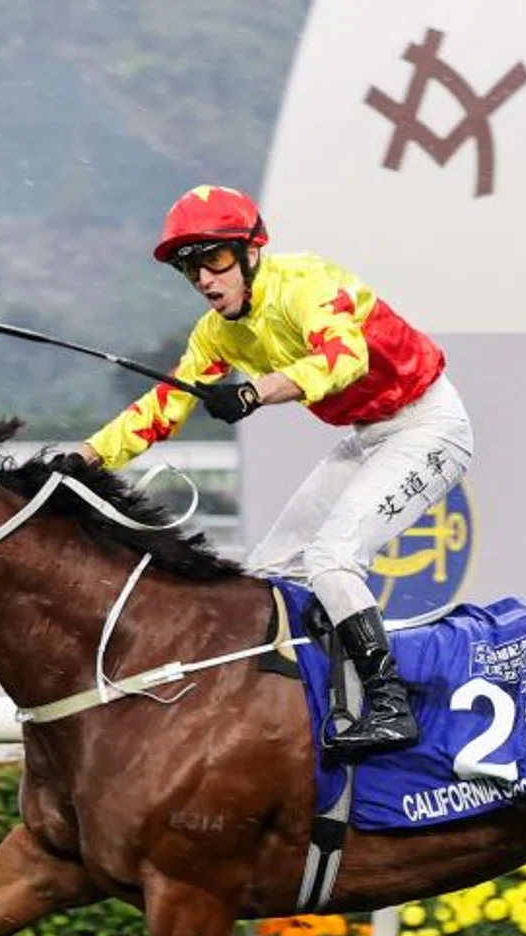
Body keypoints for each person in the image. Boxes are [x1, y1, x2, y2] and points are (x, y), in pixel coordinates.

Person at [77, 184, 474, 762]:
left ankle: (392, 705)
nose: (206, 280)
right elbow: (164, 406)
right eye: (191, 269)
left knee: (331, 559)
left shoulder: (306, 284)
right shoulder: (216, 333)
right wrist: (85, 456)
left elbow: (344, 358)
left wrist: (254, 391)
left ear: (251, 251)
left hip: (428, 428)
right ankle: (315, 700)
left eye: (214, 259)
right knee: (266, 573)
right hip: (368, 436)